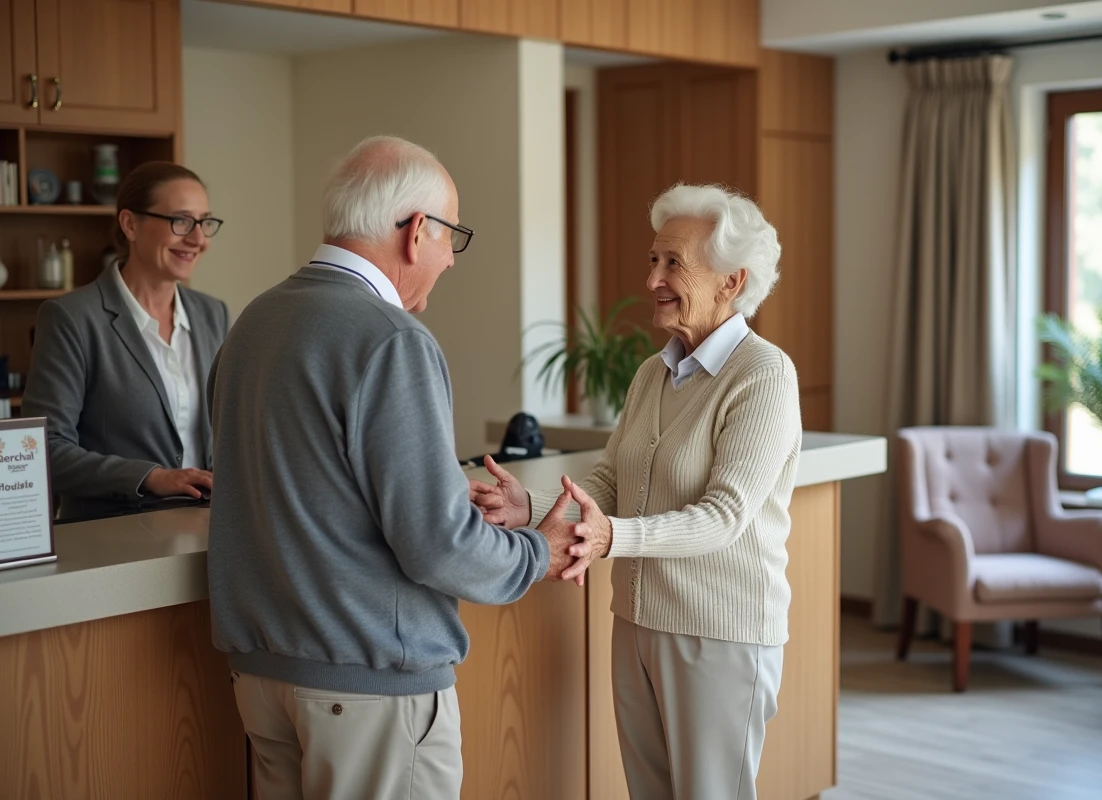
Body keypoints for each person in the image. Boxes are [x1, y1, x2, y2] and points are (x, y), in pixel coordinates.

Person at [206, 135, 580, 800]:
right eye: (451, 239)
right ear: (417, 231)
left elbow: (300, 484)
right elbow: (436, 547)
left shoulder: (253, 323)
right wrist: (535, 552)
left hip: (263, 681)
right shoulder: (392, 338)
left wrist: (432, 493)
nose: (450, 260)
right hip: (367, 687)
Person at [470, 183, 802, 800]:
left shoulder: (764, 375)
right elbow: (612, 480)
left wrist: (611, 537)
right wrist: (532, 507)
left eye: (674, 262)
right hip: (638, 623)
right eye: (654, 260)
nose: (652, 278)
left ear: (732, 280)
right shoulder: (655, 371)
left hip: (719, 633)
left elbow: (725, 516)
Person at [22, 162, 228, 520]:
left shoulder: (214, 314)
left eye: (205, 222)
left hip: (208, 529)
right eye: (181, 221)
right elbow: (43, 449)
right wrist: (151, 477)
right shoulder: (72, 318)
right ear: (130, 224)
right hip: (114, 538)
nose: (198, 239)